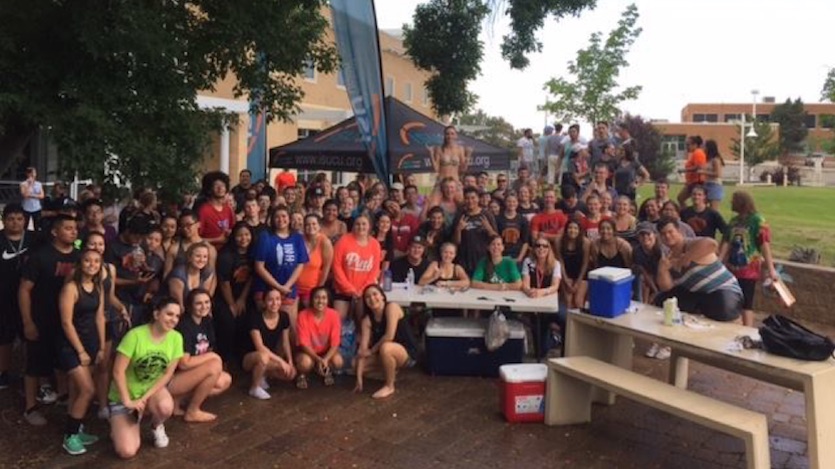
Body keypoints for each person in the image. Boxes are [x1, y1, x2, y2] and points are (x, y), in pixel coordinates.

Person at [19, 214, 80, 426]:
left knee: (63, 362)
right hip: (41, 319)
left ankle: (63, 396)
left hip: (69, 321)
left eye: (75, 228)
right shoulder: (40, 256)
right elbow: (24, 290)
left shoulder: (80, 257)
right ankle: (30, 407)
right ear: (55, 231)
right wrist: (27, 321)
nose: (73, 231)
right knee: (34, 364)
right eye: (68, 228)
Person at [108, 297, 184, 458]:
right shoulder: (135, 336)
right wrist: (128, 401)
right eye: (169, 314)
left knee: (165, 407)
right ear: (156, 314)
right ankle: (118, 425)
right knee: (127, 451)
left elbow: (167, 374)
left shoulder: (176, 338)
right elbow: (117, 371)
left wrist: (144, 398)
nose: (173, 320)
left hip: (150, 390)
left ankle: (156, 426)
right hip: (124, 395)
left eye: (177, 316)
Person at [57, 249, 105, 455]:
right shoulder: (71, 288)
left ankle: (76, 428)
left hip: (91, 342)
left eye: (96, 261)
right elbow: (66, 323)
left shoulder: (97, 287)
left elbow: (100, 318)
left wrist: (101, 347)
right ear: (80, 263)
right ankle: (70, 436)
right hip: (71, 345)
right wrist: (81, 350)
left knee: (77, 390)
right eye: (87, 260)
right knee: (88, 390)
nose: (92, 264)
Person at [655, 217, 743, 322]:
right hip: (698, 295)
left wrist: (686, 258)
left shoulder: (691, 244)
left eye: (670, 232)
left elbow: (712, 244)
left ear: (679, 231)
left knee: (723, 307)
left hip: (723, 290)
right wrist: (662, 270)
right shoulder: (668, 258)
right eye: (663, 234)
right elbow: (666, 288)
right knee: (663, 300)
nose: (667, 236)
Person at [171, 288, 231, 422]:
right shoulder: (184, 326)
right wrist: (213, 357)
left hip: (194, 373)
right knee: (214, 366)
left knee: (224, 380)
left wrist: (212, 357)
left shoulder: (206, 321)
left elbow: (208, 349)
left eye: (207, 302)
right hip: (173, 378)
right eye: (198, 303)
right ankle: (192, 411)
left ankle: (179, 399)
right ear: (190, 306)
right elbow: (184, 363)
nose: (204, 306)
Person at [723, 191, 779, 326]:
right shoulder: (734, 221)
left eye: (733, 200)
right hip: (732, 267)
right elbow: (726, 242)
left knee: (746, 302)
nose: (731, 203)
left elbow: (764, 244)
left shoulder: (757, 220)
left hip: (748, 269)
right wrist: (720, 261)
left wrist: (771, 269)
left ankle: (747, 329)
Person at [354, 285, 417, 399]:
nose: (372, 299)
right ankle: (391, 371)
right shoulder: (367, 320)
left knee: (386, 347)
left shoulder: (391, 307)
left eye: (375, 294)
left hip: (405, 352)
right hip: (381, 353)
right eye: (367, 297)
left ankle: (389, 385)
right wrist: (359, 377)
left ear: (382, 296)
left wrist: (371, 351)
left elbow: (389, 335)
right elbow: (362, 351)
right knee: (355, 365)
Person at [254, 206, 308, 326]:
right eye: (277, 217)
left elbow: (300, 264)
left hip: (288, 289)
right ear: (272, 219)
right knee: (267, 326)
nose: (280, 219)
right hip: (265, 289)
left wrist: (286, 287)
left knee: (288, 326)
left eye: (284, 216)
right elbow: (259, 266)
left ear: (289, 219)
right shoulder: (265, 237)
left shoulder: (297, 238)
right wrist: (278, 287)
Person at [241, 289, 296, 400]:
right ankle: (254, 387)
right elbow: (260, 347)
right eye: (270, 300)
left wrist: (290, 362)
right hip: (249, 357)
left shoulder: (284, 316)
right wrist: (281, 362)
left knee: (290, 374)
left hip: (270, 356)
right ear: (264, 302)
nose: (275, 303)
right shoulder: (255, 318)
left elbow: (285, 342)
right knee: (263, 357)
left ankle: (263, 374)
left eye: (277, 299)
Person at [0, 204, 31, 389]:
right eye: (11, 219)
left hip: (29, 298)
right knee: (4, 337)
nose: (15, 223)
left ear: (25, 221)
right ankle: (3, 372)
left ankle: (29, 371)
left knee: (29, 336)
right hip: (3, 297)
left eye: (19, 219)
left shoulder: (35, 239)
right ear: (4, 220)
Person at [214, 222, 254, 362]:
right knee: (228, 321)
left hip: (243, 295)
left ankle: (242, 356)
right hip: (225, 297)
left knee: (246, 320)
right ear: (233, 237)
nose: (243, 238)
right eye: (239, 235)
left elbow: (251, 278)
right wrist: (232, 304)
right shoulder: (226, 255)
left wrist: (242, 299)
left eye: (246, 234)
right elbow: (224, 283)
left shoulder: (252, 253)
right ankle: (224, 358)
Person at [332, 215, 382, 322]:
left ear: (369, 226)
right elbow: (337, 267)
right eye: (357, 224)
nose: (361, 227)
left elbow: (375, 270)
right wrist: (350, 289)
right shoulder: (343, 241)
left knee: (362, 322)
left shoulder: (375, 244)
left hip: (364, 292)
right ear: (353, 226)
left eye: (364, 224)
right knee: (338, 321)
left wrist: (362, 290)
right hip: (342, 290)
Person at [294, 287, 343, 389]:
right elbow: (304, 344)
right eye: (317, 297)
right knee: (305, 363)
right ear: (311, 299)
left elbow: (335, 343)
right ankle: (302, 374)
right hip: (308, 352)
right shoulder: (303, 315)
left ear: (328, 300)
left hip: (325, 352)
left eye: (324, 298)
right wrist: (318, 359)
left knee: (338, 361)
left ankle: (323, 368)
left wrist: (325, 359)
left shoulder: (334, 314)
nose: (320, 301)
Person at [452, 187, 498, 273]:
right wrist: (458, 229)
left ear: (478, 199)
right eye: (467, 198)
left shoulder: (487, 214)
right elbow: (455, 242)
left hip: (483, 258)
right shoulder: (460, 216)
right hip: (464, 258)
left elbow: (496, 238)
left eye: (473, 198)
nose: (470, 201)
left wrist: (488, 228)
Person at [165, 209, 218, 279]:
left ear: (198, 224)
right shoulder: (174, 248)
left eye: (188, 225)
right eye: (182, 226)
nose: (185, 228)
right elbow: (166, 274)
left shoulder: (210, 249)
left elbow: (212, 276)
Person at [296, 214, 333, 307]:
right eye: (307, 224)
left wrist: (319, 289)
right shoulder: (298, 240)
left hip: (312, 288)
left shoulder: (324, 242)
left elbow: (326, 267)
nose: (311, 227)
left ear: (319, 226)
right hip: (294, 287)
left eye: (314, 224)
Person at [166, 242, 216, 310]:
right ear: (189, 257)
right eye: (198, 256)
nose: (201, 260)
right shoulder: (178, 274)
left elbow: (203, 298)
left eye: (205, 257)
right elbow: (179, 306)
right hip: (172, 309)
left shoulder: (207, 273)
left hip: (194, 309)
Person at [429, 125, 470, 205]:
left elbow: (463, 170)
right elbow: (436, 169)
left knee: (462, 205)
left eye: (452, 133)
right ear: (444, 135)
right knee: (433, 206)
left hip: (455, 182)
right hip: (441, 181)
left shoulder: (460, 149)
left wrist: (468, 157)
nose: (450, 136)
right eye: (447, 134)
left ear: (456, 135)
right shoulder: (439, 149)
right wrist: (431, 154)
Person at [556, 220, 591, 309]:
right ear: (566, 229)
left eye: (575, 228)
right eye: (570, 228)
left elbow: (585, 263)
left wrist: (578, 282)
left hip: (581, 274)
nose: (572, 230)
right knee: (568, 302)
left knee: (578, 301)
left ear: (579, 230)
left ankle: (581, 322)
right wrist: (566, 279)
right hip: (566, 273)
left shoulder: (585, 242)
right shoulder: (559, 241)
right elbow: (560, 262)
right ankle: (568, 322)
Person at [496, 193, 530, 264]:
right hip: (502, 256)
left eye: (514, 201)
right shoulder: (498, 219)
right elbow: (496, 239)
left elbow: (525, 242)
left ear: (517, 203)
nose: (511, 204)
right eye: (509, 201)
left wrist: (519, 258)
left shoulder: (522, 219)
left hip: (517, 256)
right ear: (505, 202)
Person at [677, 136, 707, 205]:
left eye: (688, 145)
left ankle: (687, 213)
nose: (686, 147)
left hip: (696, 182)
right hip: (692, 182)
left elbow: (698, 167)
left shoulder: (698, 153)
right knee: (682, 198)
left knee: (681, 198)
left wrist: (684, 170)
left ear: (695, 145)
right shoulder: (694, 153)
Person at [703, 139, 725, 210]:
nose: (703, 148)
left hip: (715, 185)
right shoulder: (708, 159)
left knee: (713, 209)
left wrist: (703, 172)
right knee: (704, 207)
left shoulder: (716, 160)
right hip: (707, 184)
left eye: (705, 147)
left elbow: (718, 174)